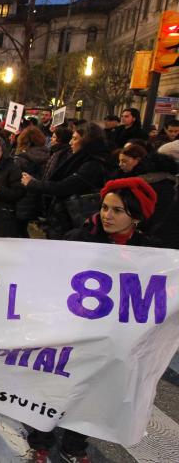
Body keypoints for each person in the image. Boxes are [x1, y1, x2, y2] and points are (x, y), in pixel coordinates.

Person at [27, 177, 159, 463]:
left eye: (117, 210)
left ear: (135, 216)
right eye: (104, 207)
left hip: (111, 338)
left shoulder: (153, 253)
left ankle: (74, 445)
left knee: (91, 395)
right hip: (72, 332)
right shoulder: (81, 239)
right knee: (55, 389)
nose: (107, 215)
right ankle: (40, 442)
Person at [21, 123, 109, 239]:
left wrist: (34, 184)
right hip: (63, 219)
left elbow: (64, 187)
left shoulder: (92, 165)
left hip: (74, 223)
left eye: (75, 139)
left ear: (87, 141)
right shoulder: (79, 159)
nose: (70, 143)